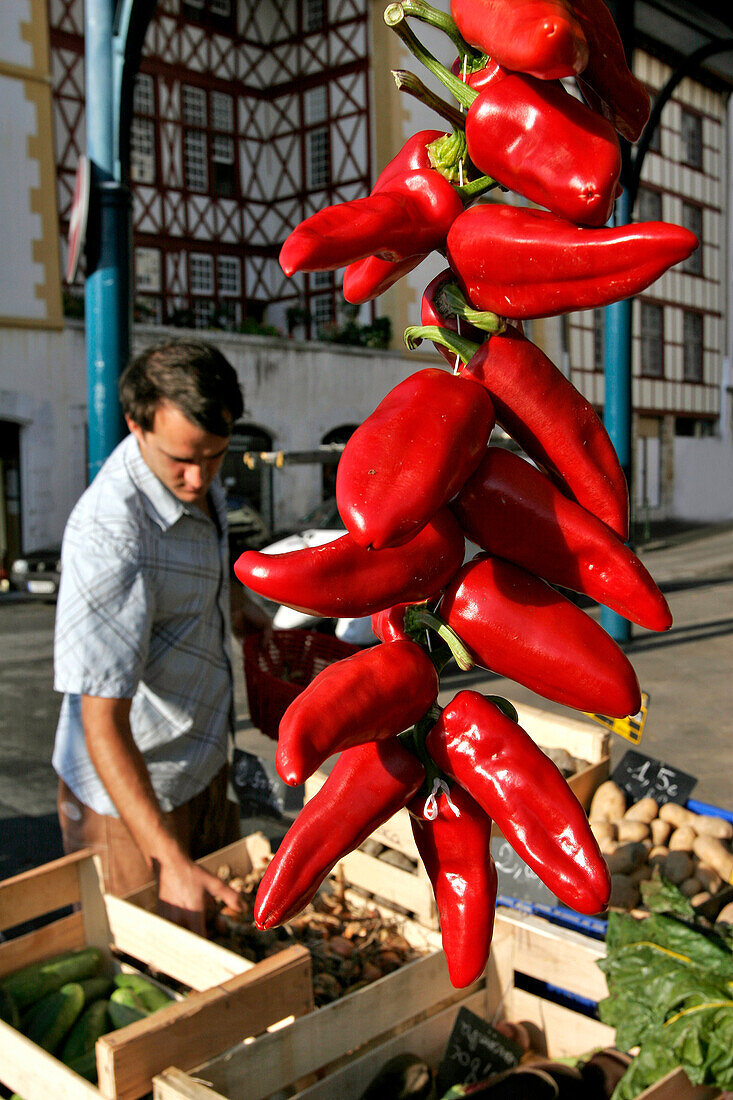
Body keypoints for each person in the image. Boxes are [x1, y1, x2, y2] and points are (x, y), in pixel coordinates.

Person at [52, 339, 271, 933]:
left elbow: (204, 556)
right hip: (127, 803)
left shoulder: (195, 477)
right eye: (183, 458)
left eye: (215, 456)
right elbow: (100, 722)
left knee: (224, 941)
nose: (198, 477)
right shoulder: (111, 536)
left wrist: (238, 606)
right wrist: (167, 859)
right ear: (136, 423)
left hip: (202, 766)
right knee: (151, 972)